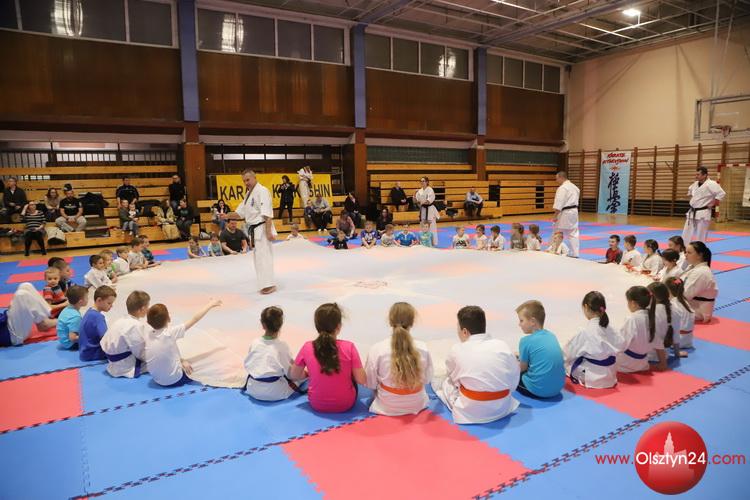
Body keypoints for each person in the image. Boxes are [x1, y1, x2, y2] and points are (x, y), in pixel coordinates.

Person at [433, 306, 519, 424]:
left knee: (443, 382)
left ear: (464, 331)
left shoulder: (457, 349)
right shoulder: (502, 345)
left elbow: (452, 376)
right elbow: (514, 379)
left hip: (473, 412)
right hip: (503, 407)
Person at [289, 303, 367, 413]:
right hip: (345, 403)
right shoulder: (349, 347)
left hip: (316, 403)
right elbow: (361, 380)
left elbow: (294, 375)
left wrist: (308, 373)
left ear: (316, 326)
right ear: (338, 326)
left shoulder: (307, 347)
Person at [366, 302, 433, 416]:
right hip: (417, 403)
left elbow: (370, 383)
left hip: (387, 405)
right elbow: (427, 380)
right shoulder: (423, 347)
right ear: (412, 322)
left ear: (390, 321)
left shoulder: (377, 349)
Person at [145, 299, 222, 386]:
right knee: (198, 365)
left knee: (174, 354)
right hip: (174, 380)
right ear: (169, 319)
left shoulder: (148, 334)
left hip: (156, 379)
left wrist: (181, 360)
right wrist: (210, 305)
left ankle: (181, 364)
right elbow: (195, 319)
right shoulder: (170, 333)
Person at [244, 306, 304, 401]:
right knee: (299, 378)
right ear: (280, 325)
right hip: (275, 392)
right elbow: (291, 374)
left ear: (263, 325)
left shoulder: (254, 343)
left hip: (252, 388)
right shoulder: (282, 346)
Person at [564, 292, 619, 389]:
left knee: (565, 363)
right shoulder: (611, 328)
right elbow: (621, 344)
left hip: (594, 378)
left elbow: (567, 354)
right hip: (610, 375)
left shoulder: (586, 331)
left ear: (586, 307)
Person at [235, 170, 277, 295]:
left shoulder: (262, 191)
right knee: (259, 259)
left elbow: (267, 213)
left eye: (248, 180)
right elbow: (239, 213)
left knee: (264, 258)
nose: (246, 183)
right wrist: (225, 216)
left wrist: (268, 232)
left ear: (254, 177)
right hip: (254, 230)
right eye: (244, 181)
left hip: (262, 228)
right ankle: (264, 284)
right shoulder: (248, 194)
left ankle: (269, 284)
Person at [516, 300, 565, 399]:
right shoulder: (552, 336)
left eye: (521, 320)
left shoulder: (525, 341)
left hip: (539, 390)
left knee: (512, 374)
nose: (519, 324)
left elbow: (522, 368)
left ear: (532, 321)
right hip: (558, 387)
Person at [101, 290, 150, 378]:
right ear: (142, 309)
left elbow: (103, 342)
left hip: (112, 362)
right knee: (159, 361)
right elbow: (141, 353)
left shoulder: (120, 320)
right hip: (124, 366)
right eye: (147, 307)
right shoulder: (135, 326)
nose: (148, 309)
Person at [0, 282, 56, 347]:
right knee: (21, 295)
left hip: (7, 324)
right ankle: (44, 323)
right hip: (11, 335)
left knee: (26, 286)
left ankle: (44, 317)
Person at [682, 166, 725, 244]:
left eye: (698, 174)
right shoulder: (695, 184)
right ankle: (684, 247)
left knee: (701, 234)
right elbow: (690, 192)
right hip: (692, 211)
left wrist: (713, 204)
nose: (696, 176)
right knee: (686, 233)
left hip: (703, 212)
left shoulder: (711, 184)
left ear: (705, 175)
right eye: (696, 174)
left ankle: (700, 249)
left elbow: (721, 194)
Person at [616, 286, 651, 373]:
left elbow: (622, 344)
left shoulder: (632, 319)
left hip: (627, 364)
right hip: (643, 362)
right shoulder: (651, 316)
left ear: (633, 303)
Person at [681, 241, 717, 322]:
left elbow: (686, 295)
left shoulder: (701, 273)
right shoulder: (692, 267)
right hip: (688, 305)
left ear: (700, 255)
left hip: (697, 312)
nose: (685, 255)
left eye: (689, 253)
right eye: (685, 252)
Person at [79, 285, 117, 362]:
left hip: (84, 351)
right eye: (109, 303)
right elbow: (106, 339)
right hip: (93, 353)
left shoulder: (90, 311)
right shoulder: (98, 317)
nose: (111, 306)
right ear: (99, 300)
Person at [647, 282, 675, 372]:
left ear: (652, 296)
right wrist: (677, 352)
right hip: (666, 351)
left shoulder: (654, 312)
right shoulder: (673, 308)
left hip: (653, 355)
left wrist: (663, 363)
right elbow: (674, 332)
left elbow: (656, 338)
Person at [553, 171, 580, 258]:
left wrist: (555, 215)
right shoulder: (575, 187)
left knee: (558, 231)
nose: (556, 181)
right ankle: (575, 253)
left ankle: (555, 249)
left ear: (561, 177)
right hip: (574, 211)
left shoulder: (563, 188)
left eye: (557, 179)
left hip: (565, 212)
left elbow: (559, 203)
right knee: (573, 232)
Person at [666, 277, 695, 350]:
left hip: (676, 341)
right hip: (688, 340)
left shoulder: (673, 304)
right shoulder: (684, 301)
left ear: (668, 290)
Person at [57, 285, 87, 350]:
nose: (88, 299)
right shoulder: (75, 316)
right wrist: (87, 338)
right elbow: (73, 338)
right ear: (80, 301)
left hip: (63, 340)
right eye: (87, 298)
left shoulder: (67, 309)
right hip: (70, 344)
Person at [414, 177, 439, 246]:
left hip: (430, 209)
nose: (422, 182)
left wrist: (421, 203)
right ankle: (422, 241)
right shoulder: (420, 191)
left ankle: (433, 243)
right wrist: (414, 194)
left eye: (423, 181)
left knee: (431, 226)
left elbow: (428, 201)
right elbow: (415, 201)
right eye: (421, 181)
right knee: (423, 225)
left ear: (427, 182)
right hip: (423, 210)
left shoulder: (430, 190)